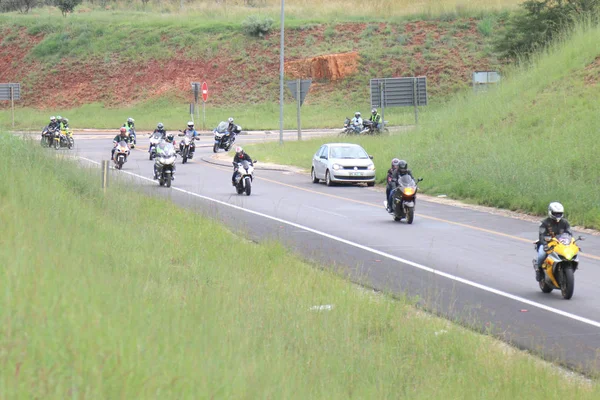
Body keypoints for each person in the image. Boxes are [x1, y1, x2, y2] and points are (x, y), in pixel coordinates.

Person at [535, 202, 572, 282]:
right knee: (541, 254)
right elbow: (541, 235)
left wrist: (571, 242)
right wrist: (545, 244)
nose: (557, 215)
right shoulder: (544, 223)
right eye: (555, 213)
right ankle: (539, 269)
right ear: (550, 212)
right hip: (547, 243)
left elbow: (569, 234)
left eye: (559, 214)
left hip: (560, 244)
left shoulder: (565, 223)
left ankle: (567, 269)